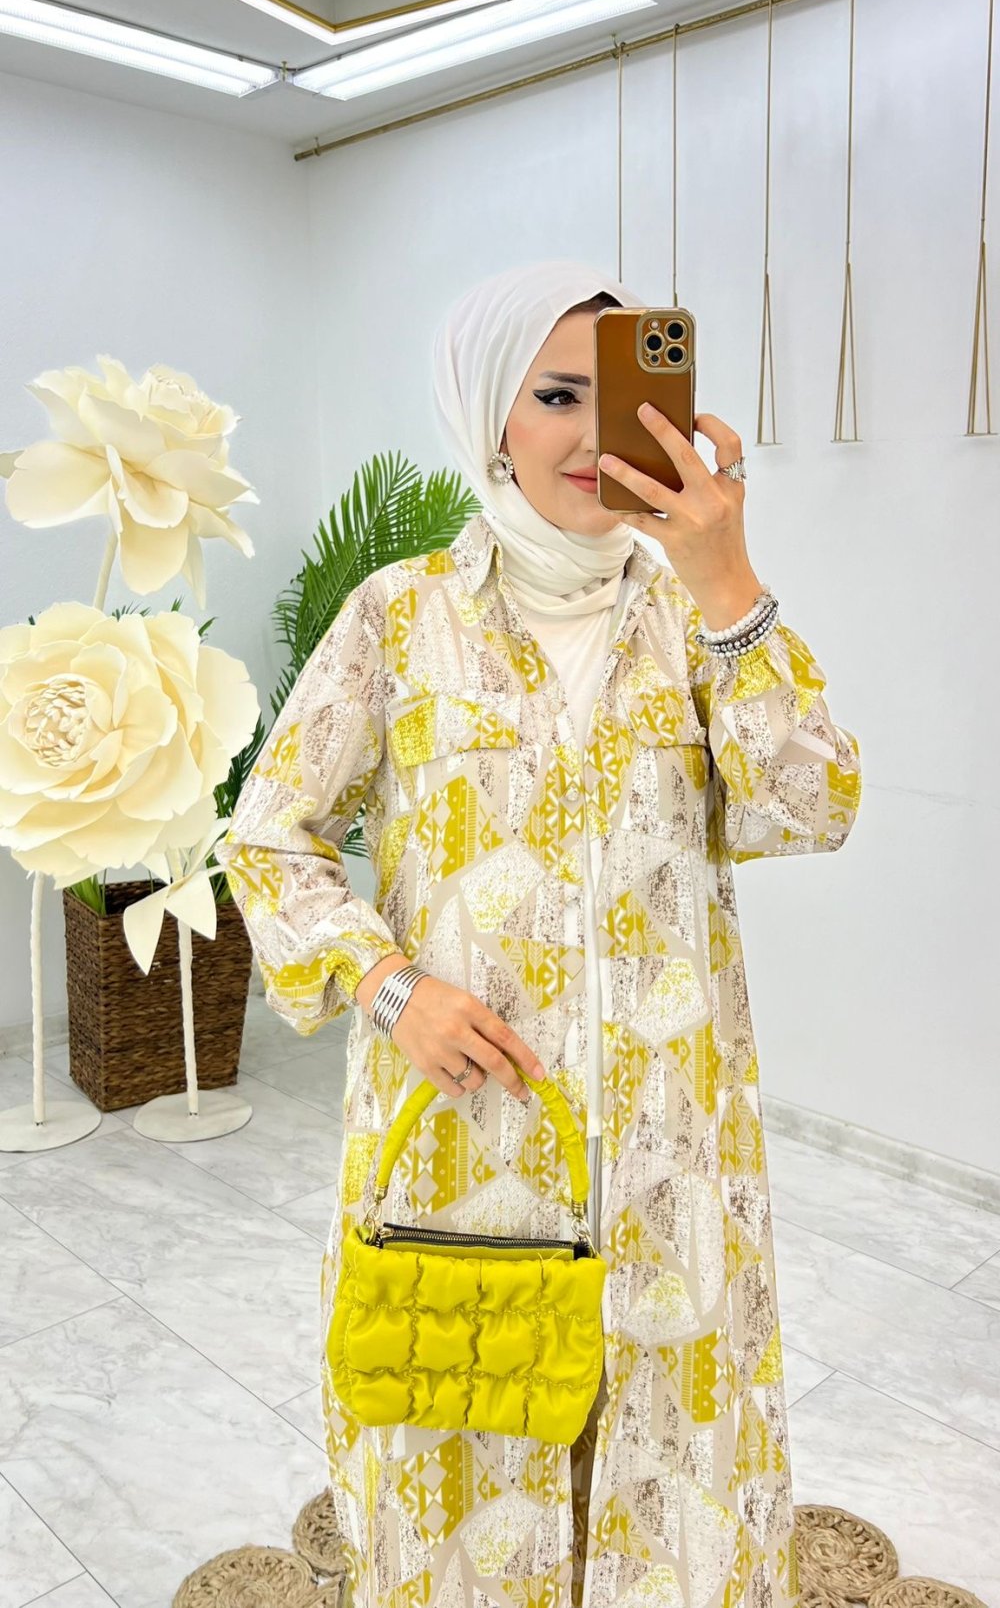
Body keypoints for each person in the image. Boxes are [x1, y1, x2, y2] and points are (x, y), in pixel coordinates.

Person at [217, 258, 862, 1608]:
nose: (591, 434)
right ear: (487, 415)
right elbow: (268, 835)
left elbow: (812, 809)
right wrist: (387, 984)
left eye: (615, 394)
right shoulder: (398, 616)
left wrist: (728, 581)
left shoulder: (695, 620)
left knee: (665, 1479)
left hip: (668, 1159)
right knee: (468, 1475)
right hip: (468, 1145)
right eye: (556, 394)